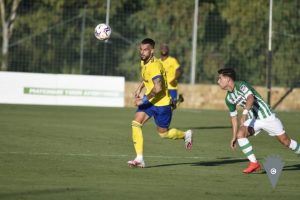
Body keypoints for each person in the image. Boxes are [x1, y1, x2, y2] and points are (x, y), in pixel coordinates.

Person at [217, 68, 300, 174]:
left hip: (267, 117)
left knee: (286, 141)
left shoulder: (241, 85)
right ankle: (254, 163)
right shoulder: (228, 98)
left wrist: (244, 113)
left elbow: (250, 98)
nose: (218, 81)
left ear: (228, 79)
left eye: (220, 78)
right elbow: (233, 117)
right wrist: (234, 136)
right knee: (240, 134)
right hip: (253, 119)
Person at [127, 38, 192, 168]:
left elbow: (158, 88)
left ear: (152, 51)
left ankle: (185, 135)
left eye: (145, 50)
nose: (142, 52)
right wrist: (140, 88)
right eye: (141, 49)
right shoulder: (143, 61)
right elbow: (146, 77)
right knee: (135, 123)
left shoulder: (155, 66)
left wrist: (143, 100)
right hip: (151, 103)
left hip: (162, 104)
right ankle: (139, 159)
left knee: (163, 134)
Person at [159, 44, 184, 109]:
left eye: (165, 48)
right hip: (162, 87)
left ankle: (178, 100)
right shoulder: (158, 62)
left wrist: (174, 79)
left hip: (171, 86)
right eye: (162, 48)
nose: (164, 50)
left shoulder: (172, 60)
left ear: (168, 50)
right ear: (160, 50)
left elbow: (179, 70)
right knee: (162, 106)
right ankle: (179, 99)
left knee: (173, 106)